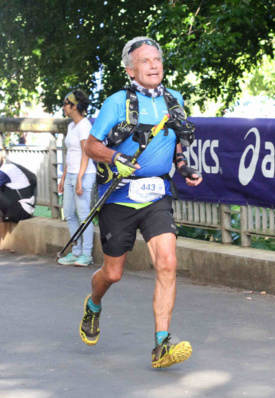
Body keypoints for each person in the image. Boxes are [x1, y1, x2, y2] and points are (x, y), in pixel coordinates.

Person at [80, 37, 202, 368]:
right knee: (114, 273)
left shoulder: (173, 100)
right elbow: (90, 145)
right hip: (119, 196)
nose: (154, 65)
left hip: (156, 195)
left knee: (168, 262)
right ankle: (93, 303)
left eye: (157, 59)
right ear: (131, 69)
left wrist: (183, 166)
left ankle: (162, 343)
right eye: (145, 61)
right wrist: (115, 155)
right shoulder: (118, 102)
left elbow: (174, 143)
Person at [57, 90, 95, 267]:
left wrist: (79, 178)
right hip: (72, 174)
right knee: (70, 214)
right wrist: (64, 177)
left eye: (66, 103)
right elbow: (71, 154)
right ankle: (76, 250)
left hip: (84, 174)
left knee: (83, 215)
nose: (64, 106)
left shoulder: (84, 126)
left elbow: (86, 153)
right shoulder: (71, 126)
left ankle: (86, 254)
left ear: (74, 106)